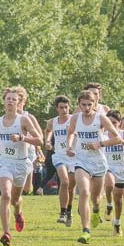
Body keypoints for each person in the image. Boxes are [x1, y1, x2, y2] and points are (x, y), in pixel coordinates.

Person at [0, 87, 45, 246]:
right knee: (5, 195)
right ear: (4, 101)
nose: (10, 101)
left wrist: (22, 137)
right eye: (8, 99)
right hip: (5, 161)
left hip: (21, 163)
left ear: (19, 103)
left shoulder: (24, 120)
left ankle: (18, 213)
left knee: (15, 199)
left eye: (14, 99)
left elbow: (40, 140)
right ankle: (7, 232)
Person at [65, 89, 124, 244]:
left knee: (96, 199)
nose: (86, 107)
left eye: (89, 104)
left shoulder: (101, 118)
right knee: (84, 191)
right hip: (81, 161)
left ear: (94, 104)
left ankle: (97, 210)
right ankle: (85, 231)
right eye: (83, 104)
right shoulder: (75, 118)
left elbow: (117, 138)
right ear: (79, 104)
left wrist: (100, 144)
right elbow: (71, 132)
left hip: (98, 163)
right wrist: (69, 146)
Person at [42, 96, 76, 224]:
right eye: (61, 108)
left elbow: (79, 133)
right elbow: (48, 130)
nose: (64, 110)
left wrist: (74, 132)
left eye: (66, 107)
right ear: (57, 108)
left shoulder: (74, 120)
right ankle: (62, 213)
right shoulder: (53, 121)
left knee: (71, 187)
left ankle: (69, 210)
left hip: (73, 156)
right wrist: (48, 141)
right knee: (65, 182)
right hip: (60, 155)